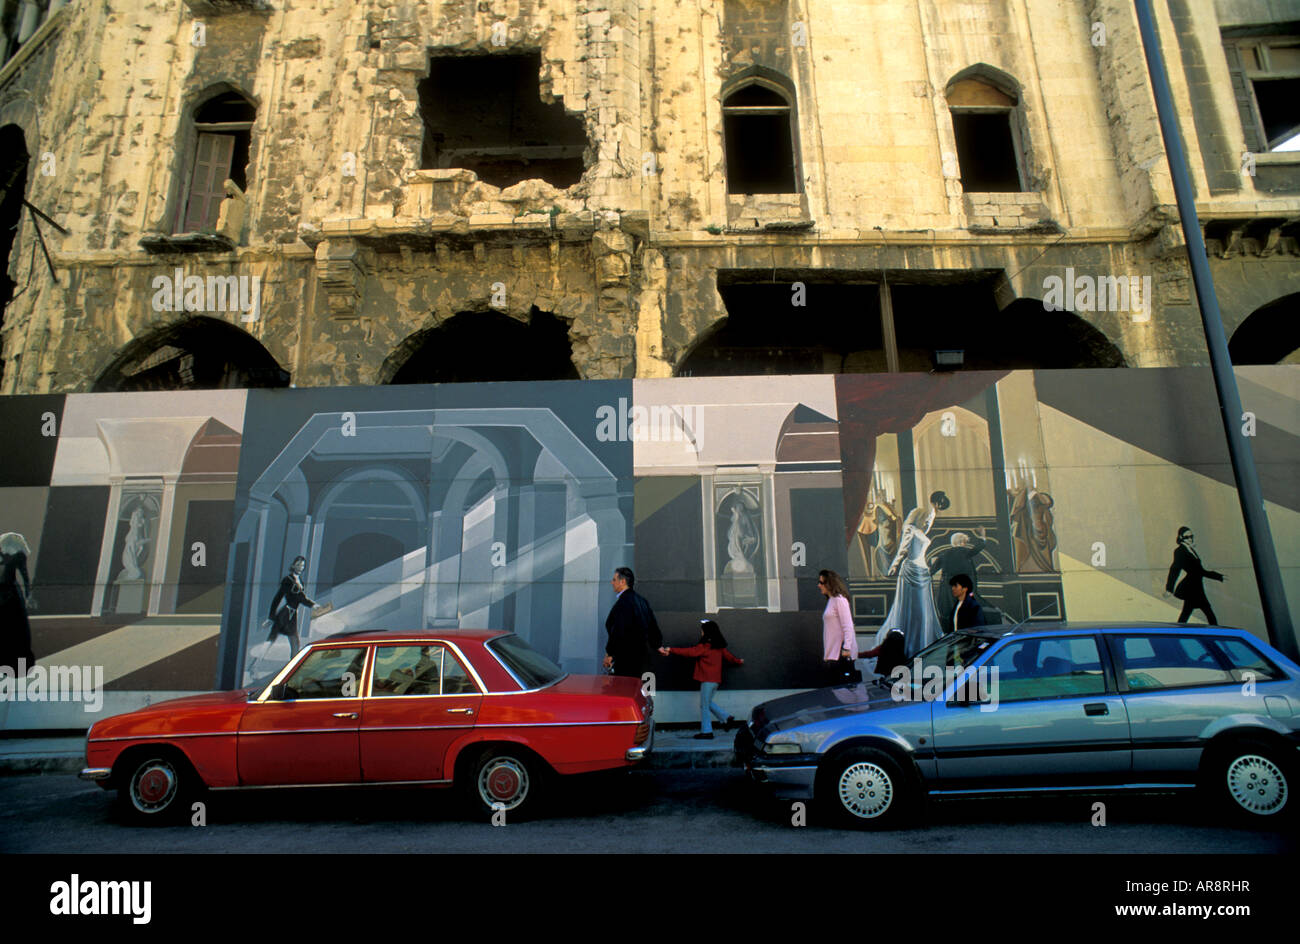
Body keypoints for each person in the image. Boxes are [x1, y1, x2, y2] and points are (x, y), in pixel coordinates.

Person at [875, 491, 948, 657]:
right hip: (911, 572)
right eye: (928, 519)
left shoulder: (922, 531)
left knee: (924, 611)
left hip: (923, 573)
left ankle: (923, 643)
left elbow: (927, 528)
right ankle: (911, 644)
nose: (930, 522)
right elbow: (903, 550)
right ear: (921, 517)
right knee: (914, 609)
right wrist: (893, 565)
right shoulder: (911, 529)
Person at [659, 619, 744, 739]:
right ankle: (726, 718)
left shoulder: (705, 647)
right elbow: (729, 657)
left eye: (702, 631)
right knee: (707, 703)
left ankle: (707, 732)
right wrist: (738, 661)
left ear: (707, 632)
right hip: (716, 681)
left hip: (707, 680)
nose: (701, 633)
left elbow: (690, 652)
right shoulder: (719, 647)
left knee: (704, 705)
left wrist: (671, 649)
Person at [604, 566, 662, 678]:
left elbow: (617, 631)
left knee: (626, 692)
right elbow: (652, 626)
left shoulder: (623, 603)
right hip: (646, 661)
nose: (611, 582)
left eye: (614, 580)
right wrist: (658, 645)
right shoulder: (642, 601)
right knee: (646, 693)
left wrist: (610, 654)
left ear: (623, 581)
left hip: (627, 662)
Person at [1164, 526, 1226, 624]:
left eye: (1191, 536)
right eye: (1187, 537)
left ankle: (1178, 632)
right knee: (1208, 614)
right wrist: (1169, 589)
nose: (1190, 539)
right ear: (1181, 537)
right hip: (1191, 588)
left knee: (1187, 614)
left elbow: (1200, 570)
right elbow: (1175, 570)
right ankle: (1216, 633)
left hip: (1196, 587)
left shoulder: (1190, 549)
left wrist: (1219, 576)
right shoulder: (1180, 551)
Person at [933, 528, 987, 626]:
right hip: (963, 589)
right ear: (961, 542)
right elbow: (979, 547)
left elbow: (932, 570)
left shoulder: (944, 554)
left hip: (947, 589)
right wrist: (982, 537)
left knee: (950, 613)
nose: (965, 544)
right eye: (965, 542)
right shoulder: (965, 552)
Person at [265, 556, 316, 657]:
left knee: (294, 642)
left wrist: (312, 605)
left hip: (292, 615)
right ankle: (254, 665)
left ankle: (293, 666)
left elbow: (301, 598)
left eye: (302, 566)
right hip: (285, 614)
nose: (300, 568)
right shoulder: (288, 580)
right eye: (298, 565)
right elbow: (278, 598)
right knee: (272, 639)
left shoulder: (300, 581)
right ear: (293, 565)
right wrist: (271, 617)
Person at [0, 532, 34, 676]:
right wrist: (28, 595)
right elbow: (25, 577)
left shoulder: (4, 555)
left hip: (5, 594)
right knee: (15, 628)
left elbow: (25, 577)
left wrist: (28, 595)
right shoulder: (19, 556)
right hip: (11, 594)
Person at [818, 569, 859, 685]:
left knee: (841, 689)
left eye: (821, 583)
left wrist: (846, 648)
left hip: (840, 654)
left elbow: (848, 626)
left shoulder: (840, 600)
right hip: (834, 654)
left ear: (829, 583)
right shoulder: (832, 600)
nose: (819, 585)